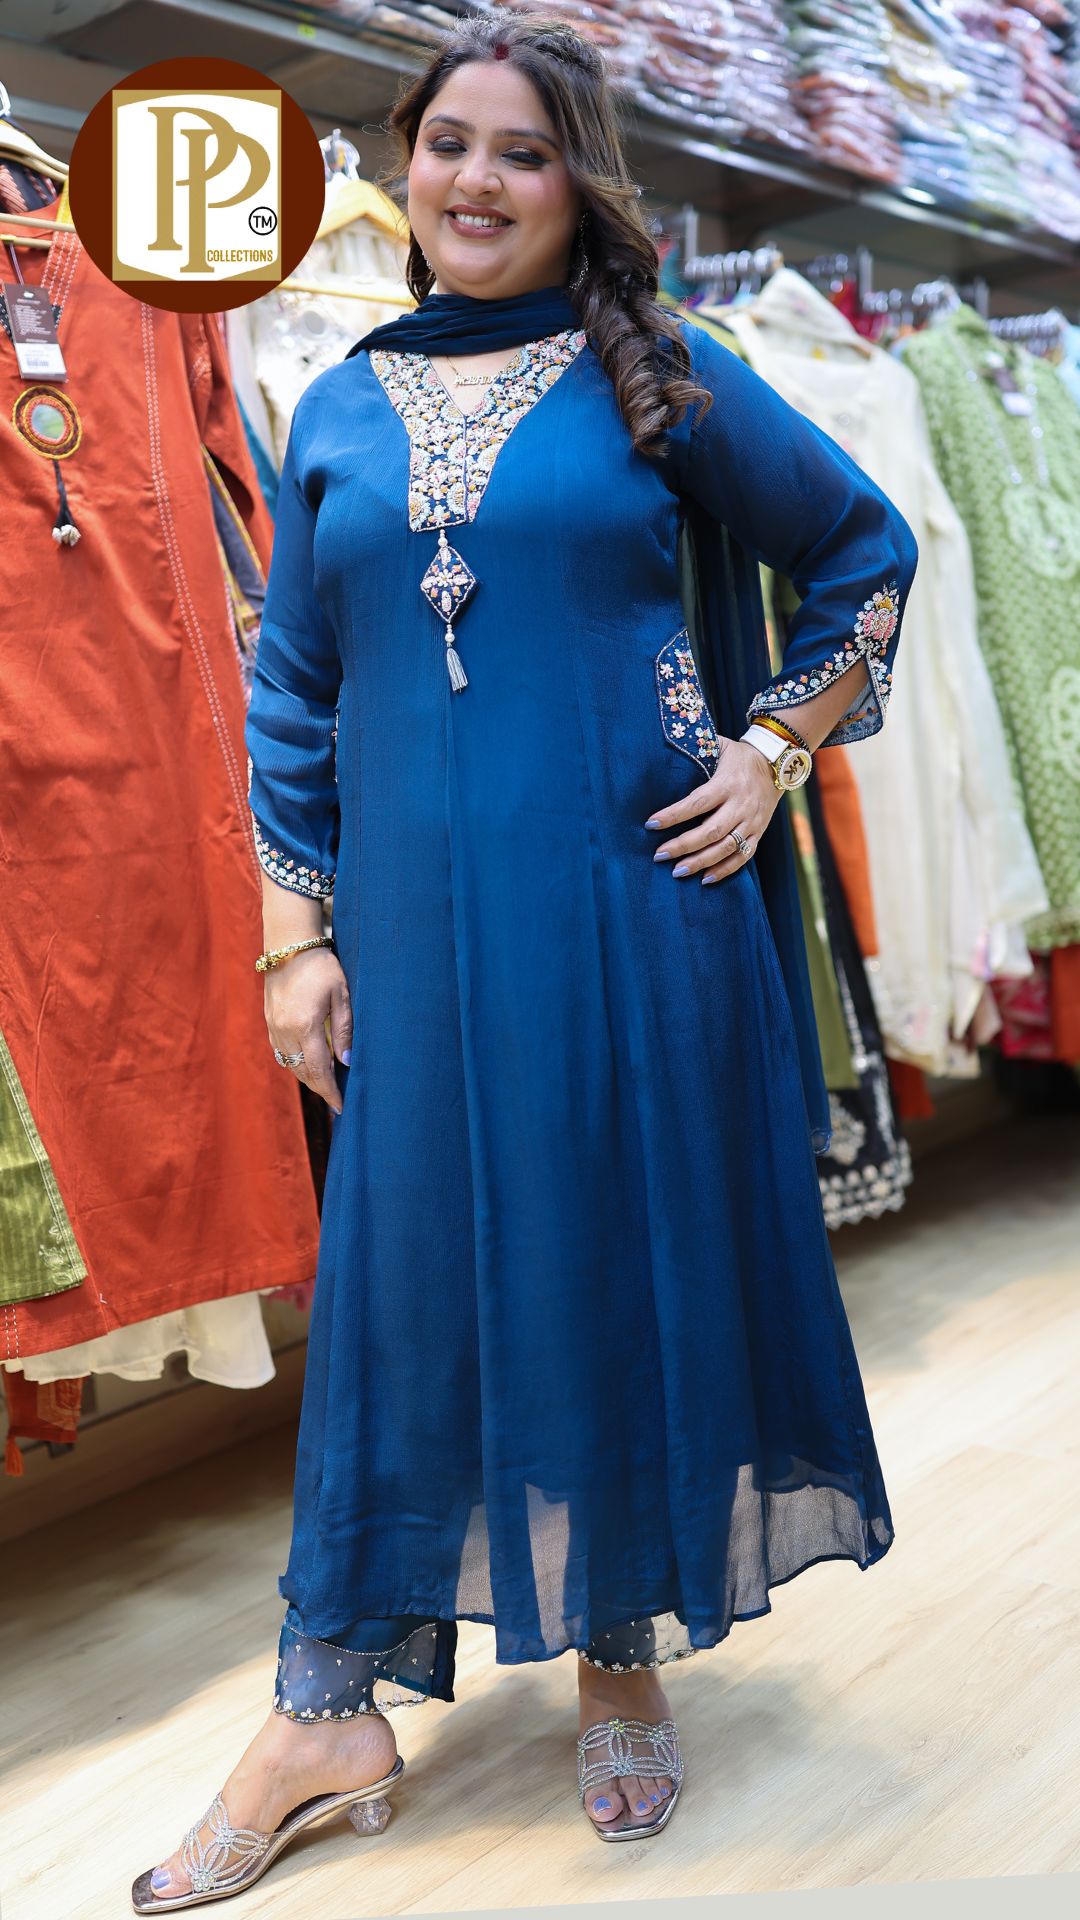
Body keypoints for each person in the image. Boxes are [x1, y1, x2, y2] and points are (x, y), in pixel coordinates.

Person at [133, 15, 918, 1908]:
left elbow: (864, 554)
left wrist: (774, 749)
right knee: (401, 1290)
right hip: (411, 945)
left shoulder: (669, 375)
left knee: (609, 1256)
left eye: (524, 151)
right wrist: (293, 941)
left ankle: (619, 1643)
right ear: (403, 166)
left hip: (631, 922)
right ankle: (326, 1705)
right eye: (448, 144)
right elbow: (293, 687)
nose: (476, 181)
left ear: (579, 186)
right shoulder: (338, 403)